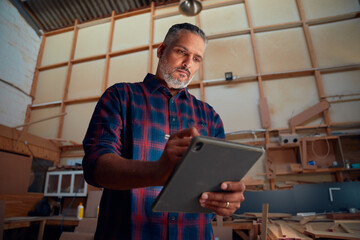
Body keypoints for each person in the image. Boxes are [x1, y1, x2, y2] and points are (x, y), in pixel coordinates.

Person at [83, 22, 245, 239]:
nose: (188, 63)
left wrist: (226, 198)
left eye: (196, 59)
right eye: (181, 52)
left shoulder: (210, 116)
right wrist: (158, 172)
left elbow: (218, 182)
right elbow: (96, 166)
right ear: (161, 51)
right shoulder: (121, 96)